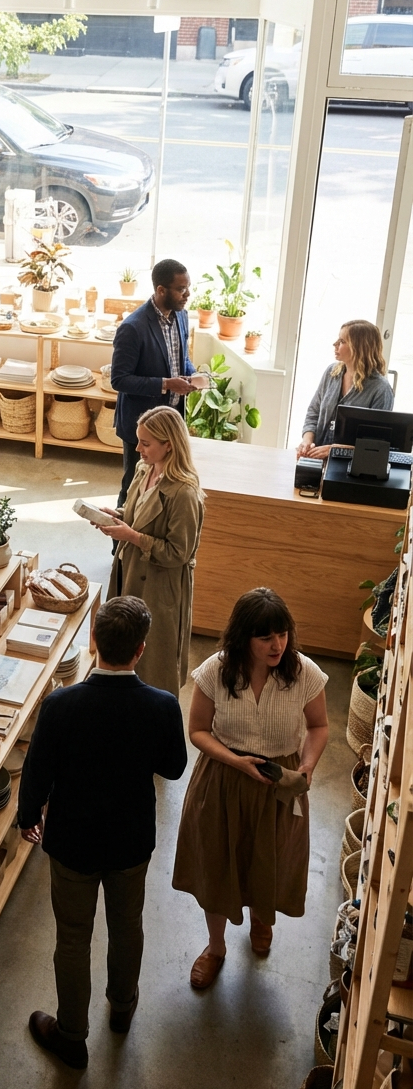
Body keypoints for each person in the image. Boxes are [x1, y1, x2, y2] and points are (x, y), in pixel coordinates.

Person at [18, 596, 187, 1069]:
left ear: (93, 641)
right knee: (126, 924)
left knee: (72, 936)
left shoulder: (60, 705)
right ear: (140, 651)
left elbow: (37, 771)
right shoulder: (161, 706)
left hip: (72, 840)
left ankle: (71, 1035)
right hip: (130, 838)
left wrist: (28, 814)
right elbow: (174, 767)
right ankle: (122, 1008)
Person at [172, 588, 329, 990]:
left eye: (282, 634)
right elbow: (198, 731)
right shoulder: (215, 671)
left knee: (270, 859)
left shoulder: (304, 673)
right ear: (244, 637)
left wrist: (307, 766)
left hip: (279, 783)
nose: (277, 644)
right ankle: (216, 947)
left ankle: (261, 921)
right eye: (265, 637)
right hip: (224, 778)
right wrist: (236, 761)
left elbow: (318, 726)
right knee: (218, 862)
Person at [93, 406, 204, 697]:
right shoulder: (144, 470)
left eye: (146, 443)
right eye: (138, 440)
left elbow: (178, 553)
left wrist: (130, 535)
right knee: (121, 644)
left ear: (168, 445)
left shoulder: (184, 493)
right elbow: (136, 515)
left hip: (159, 586)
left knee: (154, 660)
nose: (138, 448)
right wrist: (115, 517)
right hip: (130, 571)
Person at [110, 258, 209, 506]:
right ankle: (120, 543)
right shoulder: (132, 328)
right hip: (142, 425)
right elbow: (119, 379)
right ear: (161, 290)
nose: (187, 294)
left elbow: (180, 357)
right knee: (134, 487)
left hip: (172, 419)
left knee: (165, 483)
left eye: (188, 287)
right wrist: (166, 384)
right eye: (181, 289)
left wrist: (192, 376)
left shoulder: (182, 316)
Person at [297, 319, 394, 459]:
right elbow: (314, 412)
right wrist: (307, 441)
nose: (335, 345)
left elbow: (375, 444)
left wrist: (334, 450)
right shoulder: (331, 372)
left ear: (359, 348)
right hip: (316, 459)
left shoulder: (381, 389)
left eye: (342, 342)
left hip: (350, 468)